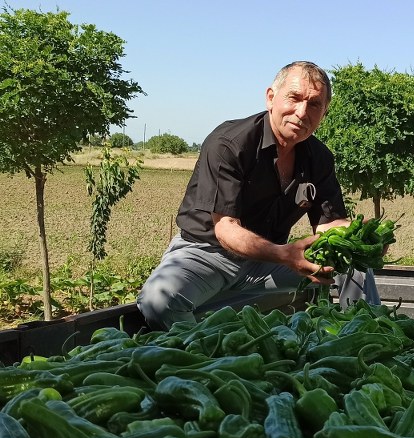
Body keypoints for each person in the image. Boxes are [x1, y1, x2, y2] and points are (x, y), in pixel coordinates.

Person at [137, 61, 380, 331]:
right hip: (206, 255)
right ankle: (204, 360)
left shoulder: (319, 157)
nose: (302, 112)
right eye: (295, 98)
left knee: (354, 264)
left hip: (268, 263)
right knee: (159, 302)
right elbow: (225, 229)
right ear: (271, 98)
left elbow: (327, 224)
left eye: (314, 104)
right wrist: (283, 254)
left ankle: (368, 340)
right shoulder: (230, 144)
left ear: (324, 111)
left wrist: (360, 237)